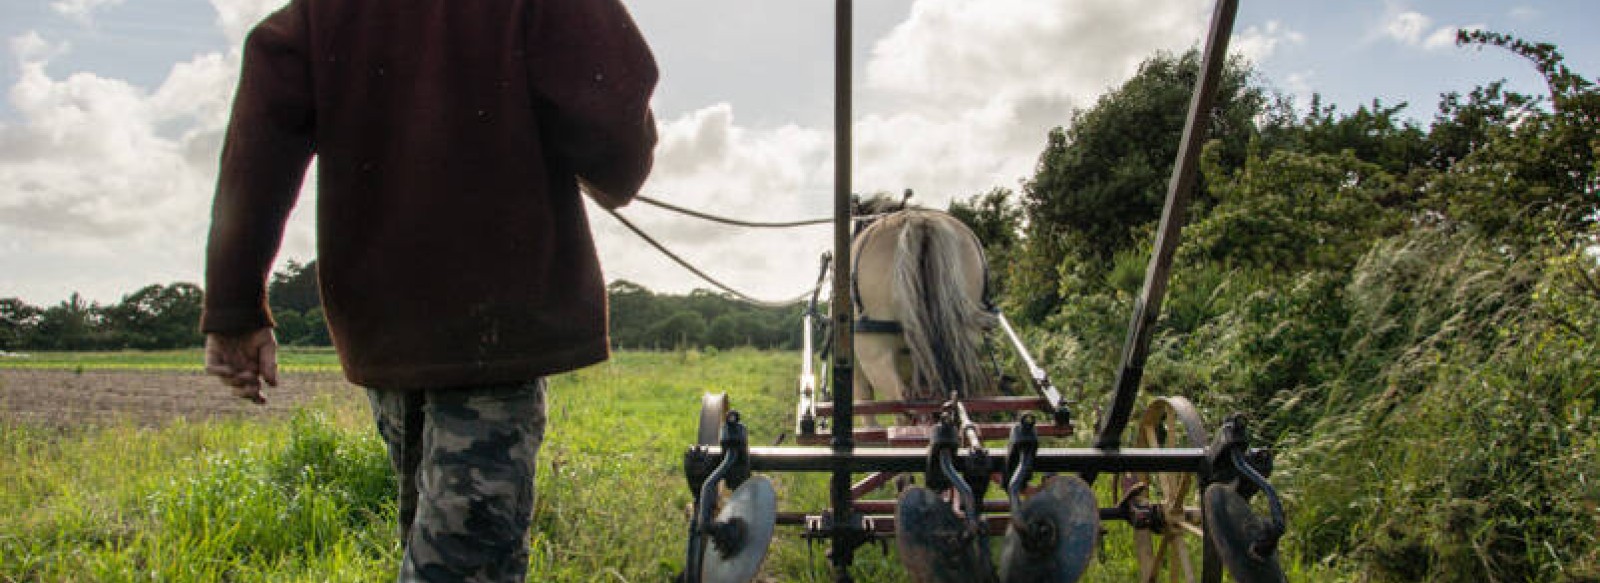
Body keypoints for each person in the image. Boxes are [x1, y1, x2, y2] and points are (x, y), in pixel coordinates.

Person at [199, 0, 657, 580]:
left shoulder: (319, 13)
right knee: (465, 559)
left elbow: (258, 146)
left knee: (435, 537)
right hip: (496, 317)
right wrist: (618, 172)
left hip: (385, 321)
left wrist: (235, 305)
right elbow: (611, 115)